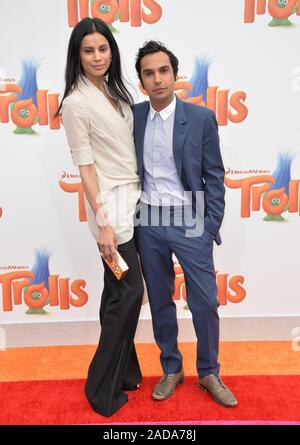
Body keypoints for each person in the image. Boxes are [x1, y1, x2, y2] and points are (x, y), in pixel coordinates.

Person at [133, 41, 238, 407]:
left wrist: (209, 225)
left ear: (175, 75)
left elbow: (214, 174)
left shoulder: (200, 118)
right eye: (149, 73)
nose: (158, 79)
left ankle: (209, 371)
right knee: (161, 299)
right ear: (141, 81)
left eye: (164, 71)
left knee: (205, 300)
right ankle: (171, 368)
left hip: (190, 217)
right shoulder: (134, 117)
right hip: (148, 219)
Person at [58, 17, 144, 417]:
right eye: (89, 50)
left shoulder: (113, 91)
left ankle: (126, 373)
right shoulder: (76, 103)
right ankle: (100, 386)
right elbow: (86, 167)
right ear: (78, 55)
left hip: (134, 198)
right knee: (129, 293)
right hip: (109, 206)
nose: (97, 56)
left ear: (112, 50)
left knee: (116, 291)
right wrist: (104, 221)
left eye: (103, 48)